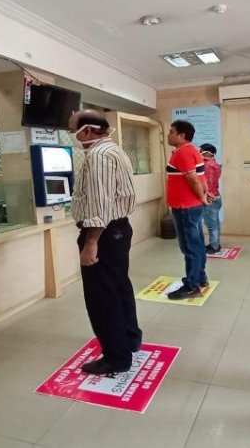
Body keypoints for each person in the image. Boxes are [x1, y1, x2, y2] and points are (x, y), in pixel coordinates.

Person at [69, 110, 142, 375]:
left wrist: (91, 242)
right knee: (119, 287)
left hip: (103, 233)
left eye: (73, 131)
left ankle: (116, 357)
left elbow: (100, 203)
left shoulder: (98, 156)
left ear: (87, 130)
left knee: (102, 296)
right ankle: (130, 339)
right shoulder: (114, 150)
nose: (73, 136)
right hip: (118, 229)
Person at [165, 120, 210, 300]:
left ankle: (192, 286)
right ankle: (201, 278)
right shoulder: (192, 150)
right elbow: (201, 176)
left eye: (171, 132)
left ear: (181, 135)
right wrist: (204, 194)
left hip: (185, 208)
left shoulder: (183, 152)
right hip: (192, 207)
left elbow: (193, 179)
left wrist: (202, 196)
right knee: (197, 245)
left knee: (190, 248)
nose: (168, 135)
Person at [199, 143, 223, 254]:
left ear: (208, 153)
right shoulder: (215, 164)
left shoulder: (208, 165)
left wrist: (206, 196)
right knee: (215, 223)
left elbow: (209, 184)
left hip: (210, 198)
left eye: (201, 151)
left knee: (212, 225)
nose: (199, 153)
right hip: (216, 196)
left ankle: (214, 247)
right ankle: (215, 244)